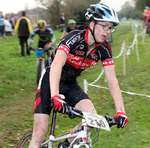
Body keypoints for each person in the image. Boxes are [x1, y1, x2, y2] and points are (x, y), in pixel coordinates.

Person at [29, 3, 129, 148]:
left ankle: (65, 145)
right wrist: (55, 95)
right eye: (104, 26)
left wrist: (121, 111)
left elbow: (112, 79)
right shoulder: (74, 38)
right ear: (92, 23)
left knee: (92, 119)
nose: (107, 31)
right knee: (40, 132)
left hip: (70, 83)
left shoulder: (104, 48)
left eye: (111, 27)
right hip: (50, 80)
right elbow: (56, 65)